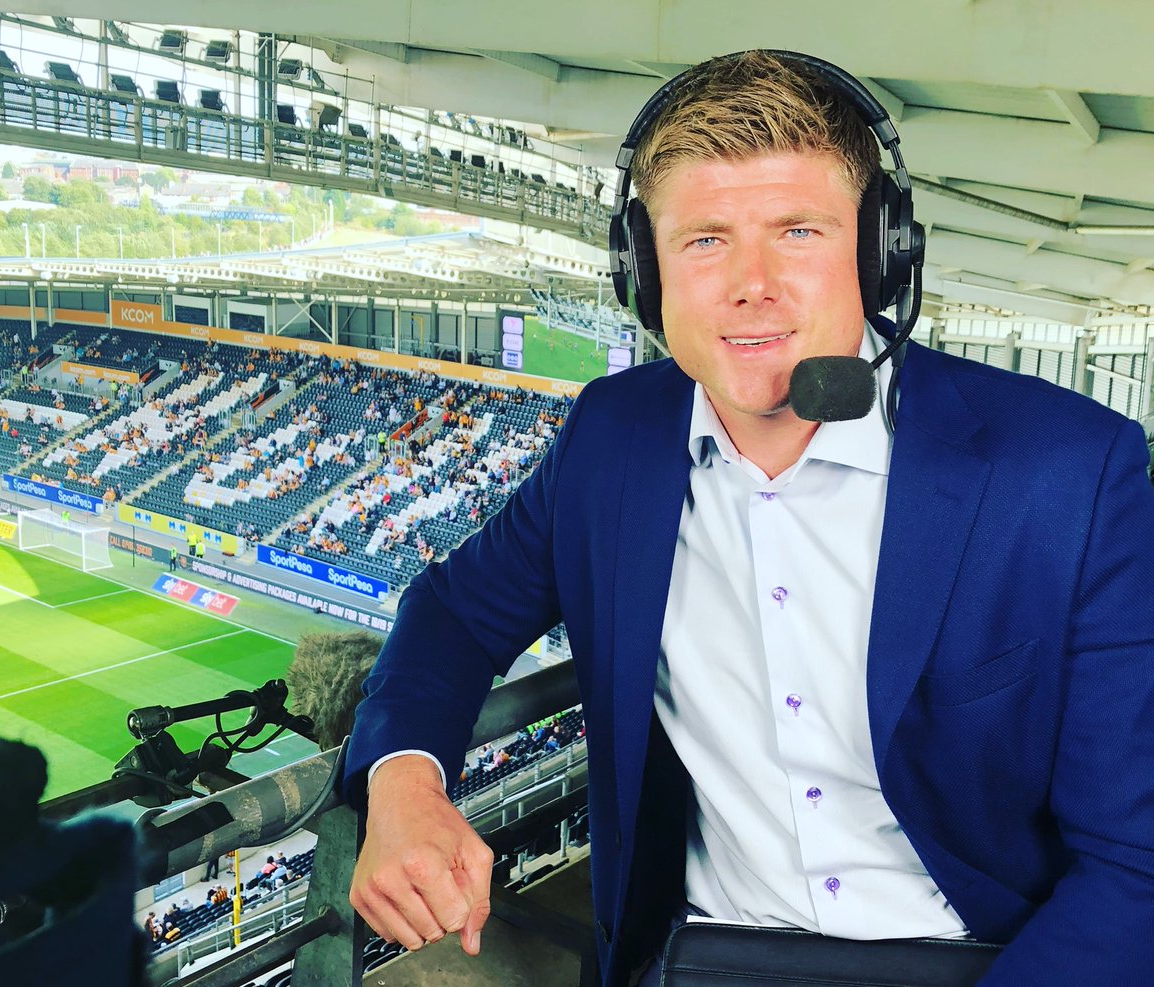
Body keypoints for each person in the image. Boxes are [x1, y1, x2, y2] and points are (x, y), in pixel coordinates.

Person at [342, 50, 1154, 987]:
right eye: (704, 240)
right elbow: (453, 613)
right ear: (643, 269)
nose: (751, 284)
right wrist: (403, 780)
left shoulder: (1068, 471)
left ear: (881, 253)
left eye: (798, 232)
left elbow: (1135, 865)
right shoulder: (612, 438)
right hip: (705, 956)